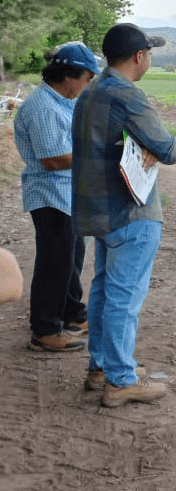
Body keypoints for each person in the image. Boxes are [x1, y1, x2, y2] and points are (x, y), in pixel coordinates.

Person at [72, 23, 176, 407]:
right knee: (124, 297)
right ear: (139, 57)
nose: (149, 59)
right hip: (130, 211)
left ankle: (100, 368)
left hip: (99, 211)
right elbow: (168, 149)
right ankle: (120, 379)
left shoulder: (91, 92)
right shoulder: (128, 95)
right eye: (149, 53)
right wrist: (154, 143)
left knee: (103, 289)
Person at [14, 42, 101, 352]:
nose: (88, 84)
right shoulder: (42, 107)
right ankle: (45, 329)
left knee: (71, 259)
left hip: (69, 193)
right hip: (52, 195)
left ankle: (71, 314)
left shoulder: (63, 100)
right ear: (68, 75)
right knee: (54, 263)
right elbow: (53, 159)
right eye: (87, 78)